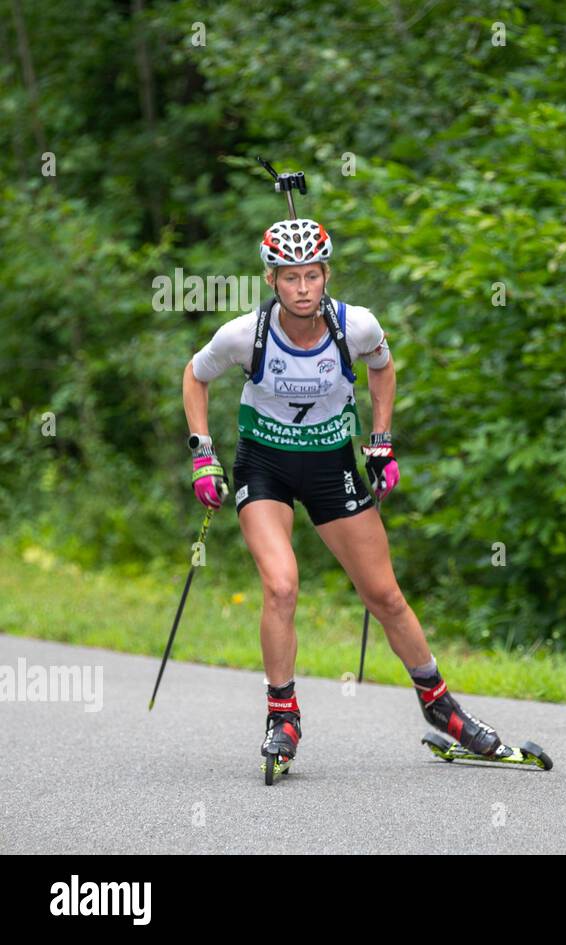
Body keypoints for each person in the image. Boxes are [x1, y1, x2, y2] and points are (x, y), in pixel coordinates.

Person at [181, 217, 505, 768]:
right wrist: (202, 454)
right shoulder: (244, 335)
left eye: (312, 275)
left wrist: (381, 443)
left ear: (327, 275)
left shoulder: (355, 327)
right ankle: (283, 717)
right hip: (265, 466)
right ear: (271, 280)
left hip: (334, 466)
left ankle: (439, 704)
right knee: (281, 586)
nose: (302, 288)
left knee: (385, 596)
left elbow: (382, 367)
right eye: (290, 278)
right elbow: (195, 375)